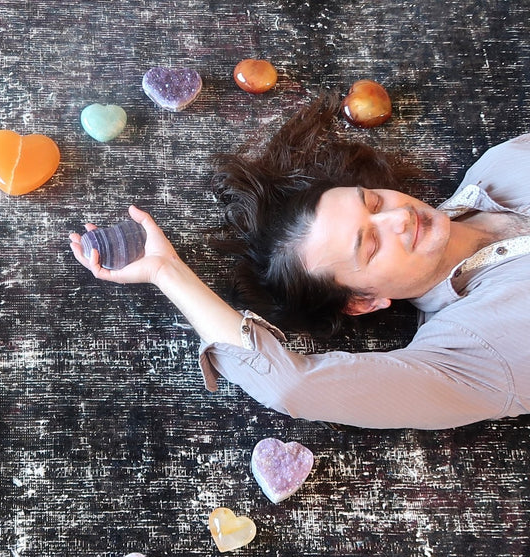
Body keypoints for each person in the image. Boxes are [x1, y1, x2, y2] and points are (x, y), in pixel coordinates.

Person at [71, 94, 530, 430]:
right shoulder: (472, 356)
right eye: (369, 246)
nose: (398, 218)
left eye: (372, 202)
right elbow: (293, 387)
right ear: (362, 301)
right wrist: (166, 271)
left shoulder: (502, 164)